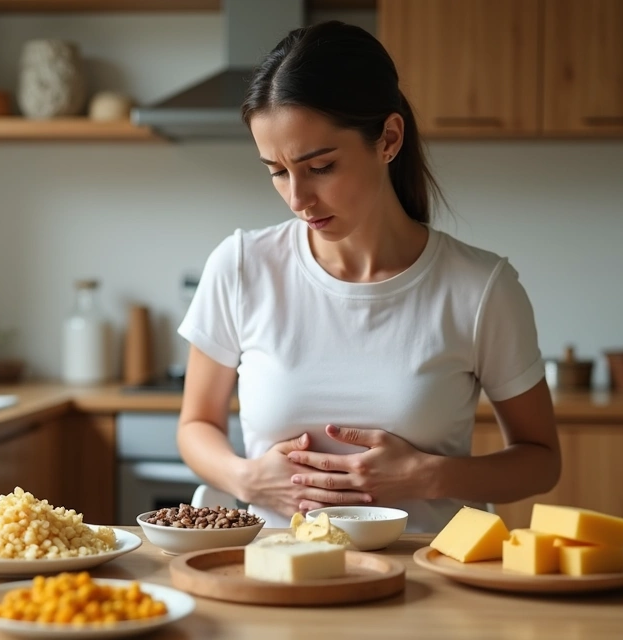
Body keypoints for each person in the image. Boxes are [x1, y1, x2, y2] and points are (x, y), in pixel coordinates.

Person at [175, 21, 560, 533]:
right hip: (272, 573)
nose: (297, 198)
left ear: (389, 139)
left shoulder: (480, 287)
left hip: (425, 580)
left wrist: (429, 476)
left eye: (321, 166)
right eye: (277, 170)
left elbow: (541, 461)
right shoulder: (242, 265)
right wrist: (246, 480)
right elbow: (195, 425)